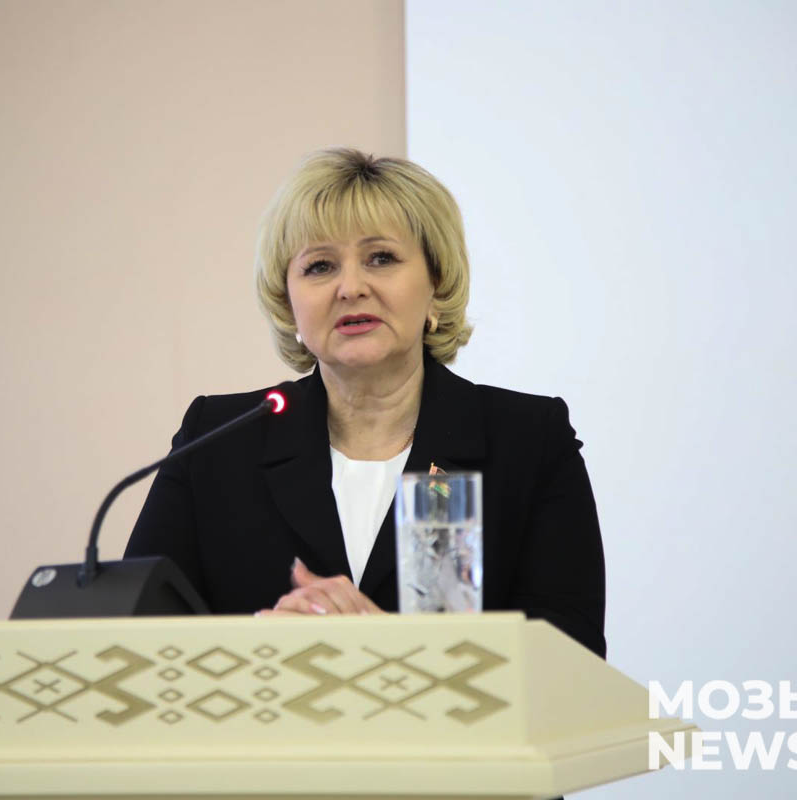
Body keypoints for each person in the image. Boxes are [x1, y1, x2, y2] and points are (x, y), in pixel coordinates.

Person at [125, 148, 606, 657]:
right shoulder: (218, 440)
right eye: (320, 266)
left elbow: (572, 658)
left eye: (381, 258)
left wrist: (386, 648)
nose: (351, 287)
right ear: (288, 301)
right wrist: (265, 650)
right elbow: (132, 644)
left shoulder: (528, 441)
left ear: (436, 282)